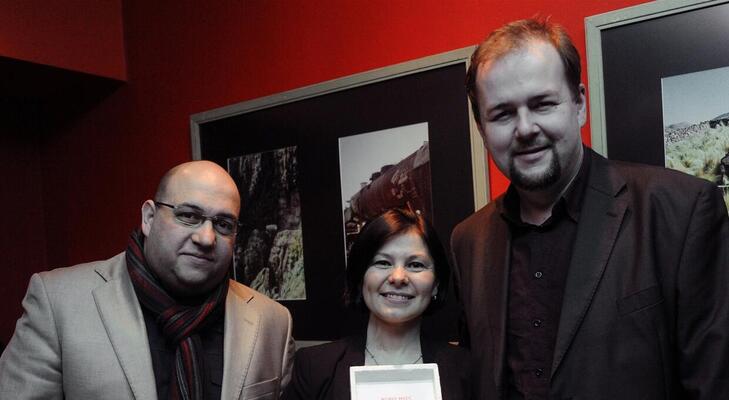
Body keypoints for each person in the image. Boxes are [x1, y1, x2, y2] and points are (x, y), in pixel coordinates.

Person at [451, 18, 729, 399]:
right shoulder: (468, 241)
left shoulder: (681, 211)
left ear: (579, 104)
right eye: (502, 114)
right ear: (482, 129)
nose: (525, 128)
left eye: (542, 104)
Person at [0, 160, 294, 400]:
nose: (206, 238)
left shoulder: (273, 322)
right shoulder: (59, 302)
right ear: (149, 218)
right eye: (189, 215)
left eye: (223, 224)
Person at [283, 208, 471, 399]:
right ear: (361, 277)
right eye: (383, 263)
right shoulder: (314, 367)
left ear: (436, 284)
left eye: (415, 265)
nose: (398, 277)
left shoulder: (465, 369)